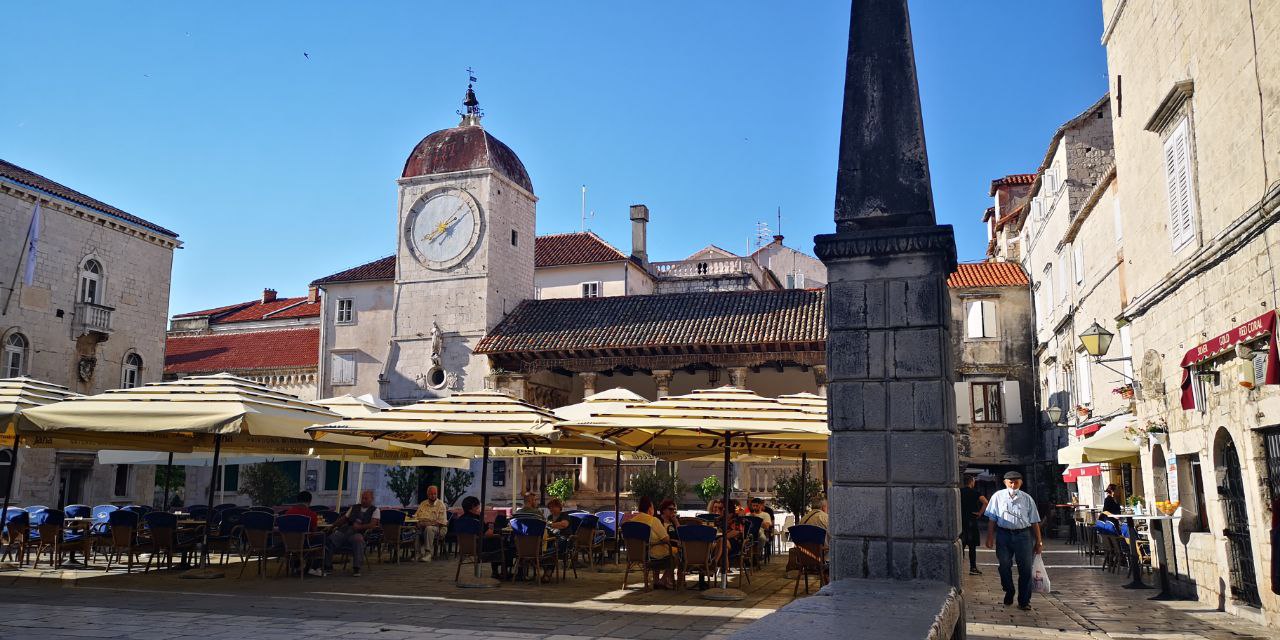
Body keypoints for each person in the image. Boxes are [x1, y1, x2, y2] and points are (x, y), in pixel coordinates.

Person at [984, 471, 1043, 611]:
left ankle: (1024, 601)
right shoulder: (997, 497)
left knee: (1025, 569)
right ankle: (1009, 590)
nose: (1013, 484)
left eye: (1016, 481)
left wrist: (1039, 542)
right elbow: (992, 518)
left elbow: (1034, 521)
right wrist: (989, 536)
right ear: (1005, 482)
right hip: (1004, 535)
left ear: (1021, 482)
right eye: (1010, 482)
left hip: (1023, 536)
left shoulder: (1027, 499)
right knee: (1004, 565)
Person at [325, 489, 380, 577]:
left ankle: (356, 568)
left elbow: (373, 524)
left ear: (371, 499)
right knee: (331, 539)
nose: (363, 500)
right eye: (362, 498)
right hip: (346, 530)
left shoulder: (375, 510)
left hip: (360, 533)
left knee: (358, 540)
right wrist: (332, 526)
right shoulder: (354, 507)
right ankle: (327, 566)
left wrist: (360, 527)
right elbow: (344, 519)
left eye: (366, 498)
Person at [459, 495, 513, 580]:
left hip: (466, 548)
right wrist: (491, 528)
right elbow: (487, 533)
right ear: (473, 507)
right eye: (478, 506)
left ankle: (498, 572)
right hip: (480, 547)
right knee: (503, 543)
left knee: (496, 543)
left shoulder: (460, 519)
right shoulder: (476, 520)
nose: (479, 508)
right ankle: (501, 571)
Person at [629, 496, 675, 589]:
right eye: (653, 507)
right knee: (676, 556)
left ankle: (657, 581)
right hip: (651, 556)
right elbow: (666, 539)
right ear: (650, 509)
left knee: (658, 547)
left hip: (634, 555)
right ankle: (662, 580)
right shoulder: (653, 520)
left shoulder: (631, 522)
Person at [283, 491, 322, 577]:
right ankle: (315, 567)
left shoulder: (288, 513)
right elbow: (314, 532)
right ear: (310, 501)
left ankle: (297, 565)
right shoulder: (311, 514)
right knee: (322, 539)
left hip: (289, 544)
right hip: (305, 544)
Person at [960, 474, 988, 575]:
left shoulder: (959, 492)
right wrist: (980, 513)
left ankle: (959, 568)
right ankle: (973, 568)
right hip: (972, 520)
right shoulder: (976, 492)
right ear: (972, 482)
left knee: (961, 545)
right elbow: (986, 502)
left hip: (961, 521)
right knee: (972, 547)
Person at [414, 485, 448, 562]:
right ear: (428, 494)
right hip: (424, 527)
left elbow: (440, 522)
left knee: (429, 529)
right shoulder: (423, 504)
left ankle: (428, 554)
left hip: (440, 528)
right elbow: (416, 516)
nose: (433, 496)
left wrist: (427, 523)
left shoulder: (440, 505)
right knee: (416, 530)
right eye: (431, 494)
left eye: (435, 494)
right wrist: (418, 523)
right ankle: (418, 553)